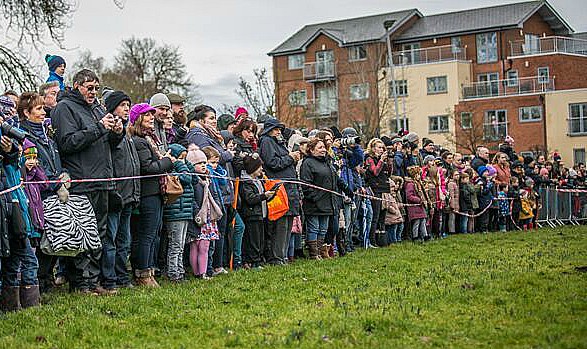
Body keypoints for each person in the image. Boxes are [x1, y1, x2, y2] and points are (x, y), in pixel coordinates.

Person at [52, 69, 124, 295]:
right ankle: (80, 283)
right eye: (89, 87)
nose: (93, 92)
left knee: (99, 234)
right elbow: (67, 142)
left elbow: (106, 143)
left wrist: (116, 133)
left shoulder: (97, 108)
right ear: (76, 86)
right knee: (82, 233)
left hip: (102, 179)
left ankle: (93, 281)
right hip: (81, 179)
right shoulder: (64, 108)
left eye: (96, 88)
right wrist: (100, 127)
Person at [128, 103, 175, 287]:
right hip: (148, 193)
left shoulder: (148, 139)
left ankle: (147, 271)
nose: (151, 119)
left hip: (154, 192)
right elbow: (148, 168)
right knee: (146, 235)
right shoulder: (140, 141)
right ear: (138, 118)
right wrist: (167, 161)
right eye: (147, 116)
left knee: (150, 234)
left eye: (151, 116)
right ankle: (143, 273)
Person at [103, 91, 140, 289]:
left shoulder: (127, 132)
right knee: (111, 240)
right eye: (122, 104)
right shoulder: (111, 132)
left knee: (124, 241)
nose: (127, 108)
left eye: (128, 104)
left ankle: (122, 277)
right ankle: (109, 279)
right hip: (115, 194)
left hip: (129, 195)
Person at [258, 118, 301, 264]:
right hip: (280, 188)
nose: (279, 132)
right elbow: (273, 163)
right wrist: (290, 157)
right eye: (276, 129)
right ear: (269, 130)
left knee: (288, 224)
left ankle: (282, 256)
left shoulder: (278, 142)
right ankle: (276, 257)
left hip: (289, 188)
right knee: (280, 225)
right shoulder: (266, 141)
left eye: (280, 129)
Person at [300, 138, 341, 259]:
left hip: (327, 201)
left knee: (323, 229)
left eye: (323, 147)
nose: (323, 150)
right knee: (314, 228)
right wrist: (314, 197)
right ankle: (314, 254)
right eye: (320, 148)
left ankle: (320, 252)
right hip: (314, 202)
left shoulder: (326, 162)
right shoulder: (307, 163)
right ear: (311, 150)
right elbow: (306, 184)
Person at [186, 147, 222, 279]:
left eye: (204, 162)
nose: (203, 165)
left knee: (205, 246)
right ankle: (199, 273)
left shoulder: (208, 179)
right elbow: (192, 199)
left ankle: (202, 272)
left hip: (208, 218)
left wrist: (217, 208)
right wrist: (197, 214)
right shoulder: (193, 181)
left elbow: (214, 195)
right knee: (196, 246)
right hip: (199, 218)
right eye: (199, 163)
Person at [162, 144, 194, 282]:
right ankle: (173, 272)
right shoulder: (172, 171)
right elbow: (187, 179)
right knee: (175, 245)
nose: (183, 160)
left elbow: (194, 178)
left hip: (185, 211)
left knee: (181, 244)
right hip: (175, 212)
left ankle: (180, 271)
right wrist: (180, 164)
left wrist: (186, 163)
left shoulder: (183, 167)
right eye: (181, 157)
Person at [238, 153, 276, 268]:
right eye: (259, 167)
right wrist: (264, 196)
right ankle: (253, 261)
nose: (261, 169)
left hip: (261, 214)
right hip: (252, 215)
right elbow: (250, 199)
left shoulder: (258, 180)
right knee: (253, 240)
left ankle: (259, 259)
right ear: (253, 168)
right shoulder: (246, 182)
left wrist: (271, 194)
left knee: (260, 239)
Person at [364, 138, 393, 248]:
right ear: (372, 148)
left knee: (382, 217)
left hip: (384, 189)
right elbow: (375, 172)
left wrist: (389, 162)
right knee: (375, 217)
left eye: (382, 148)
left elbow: (389, 173)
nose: (381, 150)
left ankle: (381, 240)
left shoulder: (383, 160)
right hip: (375, 190)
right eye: (379, 147)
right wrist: (381, 160)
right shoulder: (369, 158)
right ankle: (372, 241)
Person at [404, 165, 431, 242]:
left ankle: (425, 235)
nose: (419, 176)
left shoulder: (418, 184)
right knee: (417, 222)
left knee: (423, 221)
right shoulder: (410, 184)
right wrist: (419, 200)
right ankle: (415, 236)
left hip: (420, 207)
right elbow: (409, 196)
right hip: (414, 207)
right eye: (418, 174)